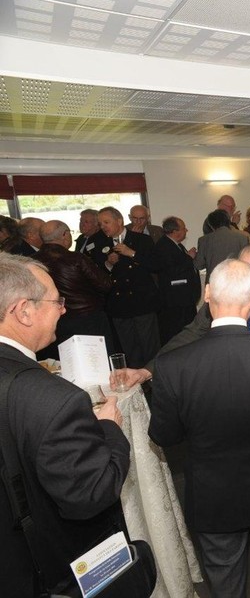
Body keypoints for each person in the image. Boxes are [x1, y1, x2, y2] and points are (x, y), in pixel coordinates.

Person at [150, 258, 250, 598]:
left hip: (212, 496)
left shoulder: (171, 365)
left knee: (226, 586)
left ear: (207, 293)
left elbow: (164, 435)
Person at [0, 254, 129, 597]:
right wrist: (110, 429)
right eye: (57, 301)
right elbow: (92, 495)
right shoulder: (57, 399)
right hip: (51, 565)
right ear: (24, 311)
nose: (63, 309)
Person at [33, 220, 114, 358]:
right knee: (98, 360)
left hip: (54, 320)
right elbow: (105, 284)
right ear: (65, 235)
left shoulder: (32, 262)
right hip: (88, 319)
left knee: (67, 360)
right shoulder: (76, 259)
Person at [93, 206, 161, 368]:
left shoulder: (141, 240)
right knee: (130, 350)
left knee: (149, 347)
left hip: (142, 302)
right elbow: (97, 274)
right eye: (100, 224)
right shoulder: (100, 243)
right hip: (119, 305)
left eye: (106, 222)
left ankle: (155, 378)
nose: (103, 227)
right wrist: (109, 264)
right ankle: (136, 379)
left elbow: (156, 265)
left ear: (119, 221)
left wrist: (131, 253)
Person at [153, 216, 200, 345]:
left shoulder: (176, 245)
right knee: (176, 334)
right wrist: (189, 257)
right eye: (184, 228)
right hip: (176, 300)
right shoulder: (164, 246)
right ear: (175, 231)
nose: (186, 231)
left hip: (183, 299)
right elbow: (172, 270)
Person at [194, 209, 249, 279]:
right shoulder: (242, 238)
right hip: (237, 280)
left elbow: (199, 265)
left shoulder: (204, 240)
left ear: (211, 224)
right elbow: (247, 262)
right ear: (228, 221)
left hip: (214, 280)